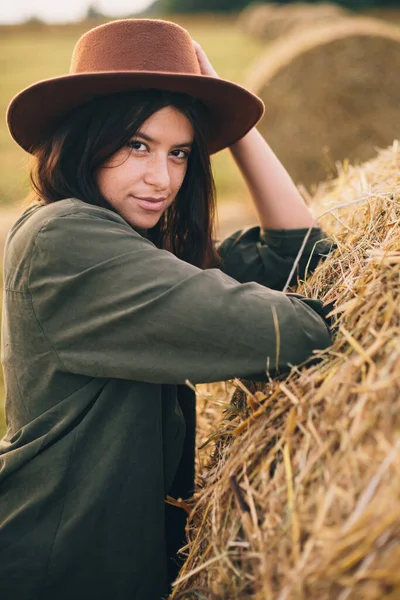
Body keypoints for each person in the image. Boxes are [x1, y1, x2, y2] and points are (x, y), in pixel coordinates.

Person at [0, 18, 333, 600]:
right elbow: (294, 330)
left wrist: (235, 128)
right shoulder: (68, 240)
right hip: (60, 569)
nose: (162, 178)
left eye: (180, 153)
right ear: (83, 138)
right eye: (137, 145)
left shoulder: (126, 240)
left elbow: (300, 255)